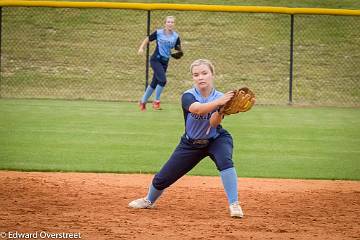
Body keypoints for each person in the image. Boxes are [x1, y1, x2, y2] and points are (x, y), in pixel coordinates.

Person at [129, 59, 244, 218]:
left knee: (225, 161)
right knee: (163, 178)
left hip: (216, 139)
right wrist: (219, 103)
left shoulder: (219, 97)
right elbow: (197, 110)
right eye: (196, 75)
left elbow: (213, 123)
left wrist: (221, 110)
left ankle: (234, 204)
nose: (200, 77)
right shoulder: (188, 96)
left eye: (204, 73)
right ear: (193, 78)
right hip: (191, 143)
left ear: (212, 75)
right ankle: (149, 200)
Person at [138, 16, 182, 111]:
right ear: (165, 23)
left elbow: (178, 48)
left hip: (165, 62)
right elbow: (148, 39)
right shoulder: (158, 33)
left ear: (174, 24)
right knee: (162, 80)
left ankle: (142, 102)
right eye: (168, 22)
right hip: (156, 59)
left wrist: (179, 52)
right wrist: (141, 47)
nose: (170, 23)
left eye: (172, 22)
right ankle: (156, 102)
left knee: (154, 83)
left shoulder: (176, 36)